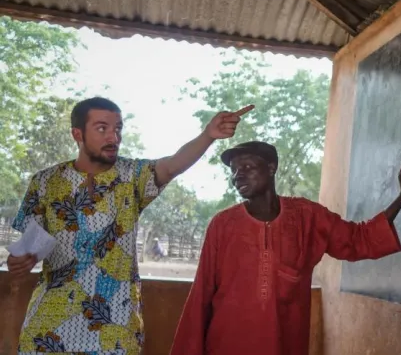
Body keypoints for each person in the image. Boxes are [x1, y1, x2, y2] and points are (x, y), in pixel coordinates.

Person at [7, 97, 253, 355]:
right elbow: (27, 248)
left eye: (118, 128)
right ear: (77, 134)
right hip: (49, 327)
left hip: (115, 328)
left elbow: (172, 165)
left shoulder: (132, 177)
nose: (113, 136)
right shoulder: (45, 181)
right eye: (102, 128)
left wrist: (208, 135)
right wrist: (19, 261)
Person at [170, 141, 401, 355]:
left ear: (271, 168)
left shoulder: (307, 217)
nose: (238, 175)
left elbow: (359, 238)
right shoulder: (222, 225)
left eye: (247, 167)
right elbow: (200, 296)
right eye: (234, 171)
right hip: (226, 346)